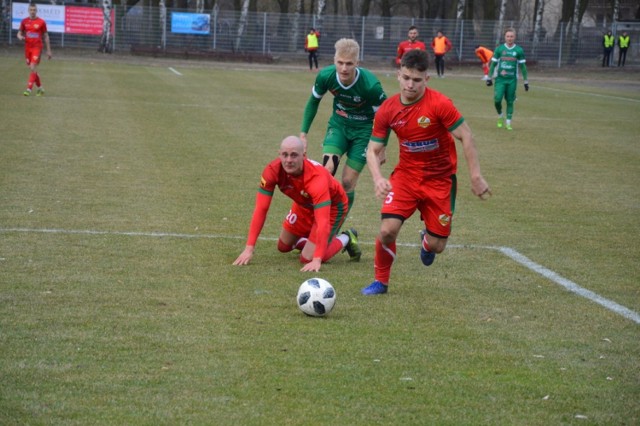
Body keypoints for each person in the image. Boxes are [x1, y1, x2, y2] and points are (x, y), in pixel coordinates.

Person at [361, 49, 490, 295]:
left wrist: (475, 175)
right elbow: (373, 149)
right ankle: (380, 281)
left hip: (440, 181)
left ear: (427, 79)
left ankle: (426, 243)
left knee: (437, 245)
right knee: (387, 230)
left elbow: (466, 135)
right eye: (406, 78)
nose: (410, 85)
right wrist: (378, 178)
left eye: (417, 80)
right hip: (406, 178)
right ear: (398, 75)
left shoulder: (439, 104)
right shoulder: (388, 109)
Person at [233, 136, 361, 273]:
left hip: (332, 207)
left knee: (307, 259)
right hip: (303, 204)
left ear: (304, 156)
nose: (288, 160)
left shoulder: (316, 178)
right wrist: (249, 249)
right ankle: (312, 242)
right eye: (285, 155)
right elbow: (261, 209)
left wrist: (317, 259)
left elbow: (322, 221)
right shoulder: (272, 171)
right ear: (279, 154)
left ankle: (346, 237)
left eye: (294, 155)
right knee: (283, 246)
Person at [300, 38, 387, 215]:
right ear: (334, 60)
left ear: (357, 63)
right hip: (339, 126)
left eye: (349, 63)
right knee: (327, 171)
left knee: (347, 182)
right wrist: (303, 134)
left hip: (363, 132)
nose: (344, 68)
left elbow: (384, 116)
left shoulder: (371, 86)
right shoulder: (326, 76)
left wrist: (382, 146)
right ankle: (316, 217)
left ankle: (337, 221)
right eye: (340, 63)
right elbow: (313, 102)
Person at [486, 28, 529, 131]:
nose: (510, 38)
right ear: (505, 37)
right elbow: (493, 64)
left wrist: (526, 81)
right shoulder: (499, 49)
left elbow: (523, 67)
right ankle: (500, 116)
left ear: (515, 37)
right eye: (508, 36)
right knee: (497, 100)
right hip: (500, 80)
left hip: (512, 80)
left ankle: (508, 123)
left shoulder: (518, 50)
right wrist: (489, 77)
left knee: (510, 101)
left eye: (512, 36)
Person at [17, 2, 52, 97]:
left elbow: (46, 36)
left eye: (34, 10)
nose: (32, 12)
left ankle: (29, 89)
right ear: (28, 11)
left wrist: (48, 50)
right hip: (27, 48)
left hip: (37, 47)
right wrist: (20, 36)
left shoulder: (41, 22)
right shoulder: (24, 21)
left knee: (33, 67)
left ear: (36, 11)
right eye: (31, 10)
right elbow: (19, 33)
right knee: (32, 69)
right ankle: (40, 88)